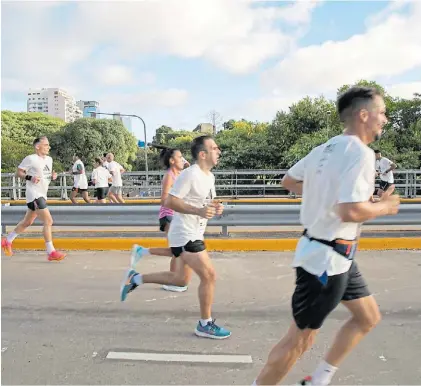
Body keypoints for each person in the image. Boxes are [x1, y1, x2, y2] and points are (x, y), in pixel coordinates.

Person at [252, 87, 400, 386]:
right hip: (325, 261)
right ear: (363, 115)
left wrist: (326, 196)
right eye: (382, 112)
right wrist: (384, 207)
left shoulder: (325, 149)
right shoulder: (361, 154)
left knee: (367, 317)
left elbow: (289, 181)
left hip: (338, 255)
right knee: (299, 340)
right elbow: (349, 212)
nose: (384, 119)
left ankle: (319, 379)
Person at [120, 135, 231, 339]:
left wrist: (216, 207)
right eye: (214, 148)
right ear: (202, 154)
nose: (219, 151)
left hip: (195, 231)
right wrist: (198, 211)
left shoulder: (210, 177)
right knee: (209, 275)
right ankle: (205, 324)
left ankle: (135, 278)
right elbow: (170, 201)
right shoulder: (190, 174)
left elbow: (208, 202)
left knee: (180, 280)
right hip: (185, 233)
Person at [1, 136, 67, 261]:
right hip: (34, 194)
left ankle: (7, 241)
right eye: (46, 144)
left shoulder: (49, 159)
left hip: (42, 194)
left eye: (48, 145)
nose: (49, 147)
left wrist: (52, 176)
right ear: (38, 146)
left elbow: (45, 174)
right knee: (48, 221)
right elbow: (18, 172)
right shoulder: (31, 158)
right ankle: (51, 252)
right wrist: (30, 178)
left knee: (27, 222)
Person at [157, 146, 190, 292]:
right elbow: (164, 199)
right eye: (180, 157)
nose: (183, 159)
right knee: (178, 250)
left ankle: (175, 280)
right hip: (169, 215)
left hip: (177, 215)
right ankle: (174, 281)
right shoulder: (169, 176)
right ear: (171, 161)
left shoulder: (180, 174)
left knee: (179, 249)